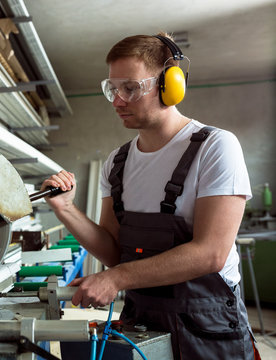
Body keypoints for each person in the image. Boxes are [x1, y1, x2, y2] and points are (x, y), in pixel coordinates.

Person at [42, 33, 260, 359]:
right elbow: (116, 252)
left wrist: (116, 279)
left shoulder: (216, 147)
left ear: (169, 85)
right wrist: (66, 209)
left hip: (208, 326)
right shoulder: (117, 163)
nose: (117, 101)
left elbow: (211, 254)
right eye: (112, 89)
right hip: (140, 320)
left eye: (130, 88)